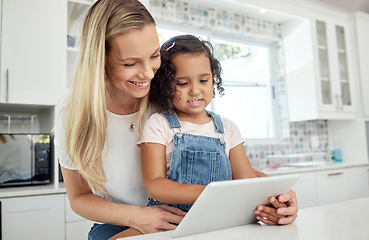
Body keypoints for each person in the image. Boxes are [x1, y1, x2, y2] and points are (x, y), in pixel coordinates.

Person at [55, 1, 297, 239]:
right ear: (99, 60)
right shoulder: (72, 112)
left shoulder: (169, 94)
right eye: (130, 63)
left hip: (192, 217)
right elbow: (79, 197)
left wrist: (279, 197)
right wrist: (138, 217)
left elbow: (224, 167)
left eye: (153, 56)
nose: (149, 73)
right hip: (122, 220)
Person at [110, 35, 298, 239]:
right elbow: (155, 184)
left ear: (213, 77)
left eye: (203, 80)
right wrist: (208, 194)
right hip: (172, 221)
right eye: (182, 83)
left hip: (222, 220)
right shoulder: (159, 124)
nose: (195, 90)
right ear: (165, 84)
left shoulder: (228, 128)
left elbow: (245, 178)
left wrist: (278, 196)